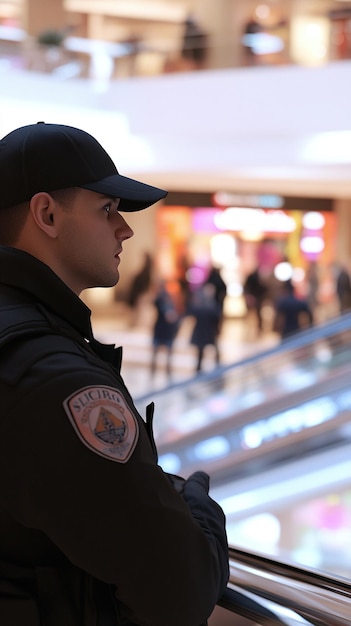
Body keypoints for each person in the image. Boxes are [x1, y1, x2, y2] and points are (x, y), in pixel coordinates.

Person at [0, 122, 229, 626]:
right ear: (47, 214)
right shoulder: (52, 378)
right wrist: (201, 511)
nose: (124, 229)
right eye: (107, 210)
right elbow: (181, 590)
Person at [189, 282, 222, 373]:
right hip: (202, 330)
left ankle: (218, 366)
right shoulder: (201, 303)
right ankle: (198, 369)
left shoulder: (213, 303)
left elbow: (217, 316)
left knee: (214, 350)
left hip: (210, 331)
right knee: (200, 351)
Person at [150, 280, 180, 379]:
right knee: (159, 353)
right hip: (163, 329)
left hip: (164, 329)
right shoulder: (163, 299)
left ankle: (164, 372)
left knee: (159, 353)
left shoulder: (165, 299)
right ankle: (159, 372)